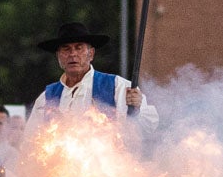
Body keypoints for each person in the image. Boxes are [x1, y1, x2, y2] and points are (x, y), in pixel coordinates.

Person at [24, 22, 158, 144]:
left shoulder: (118, 87)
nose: (73, 54)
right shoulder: (46, 98)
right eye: (66, 49)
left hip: (108, 167)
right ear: (58, 56)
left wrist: (137, 109)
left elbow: (149, 127)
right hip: (59, 168)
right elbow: (29, 141)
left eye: (79, 48)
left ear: (91, 54)